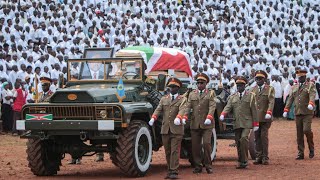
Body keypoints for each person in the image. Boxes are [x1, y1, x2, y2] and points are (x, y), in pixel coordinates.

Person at [149, 77, 185, 179]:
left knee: (175, 150)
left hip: (177, 129)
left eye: (174, 87)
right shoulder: (164, 99)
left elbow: (183, 109)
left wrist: (179, 117)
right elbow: (158, 109)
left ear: (178, 88)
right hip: (165, 129)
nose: (172, 89)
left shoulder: (182, 99)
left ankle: (174, 171)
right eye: (170, 87)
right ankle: (170, 170)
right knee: (168, 151)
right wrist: (153, 118)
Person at [220, 76, 258, 169]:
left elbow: (254, 110)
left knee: (244, 139)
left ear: (245, 86)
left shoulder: (251, 96)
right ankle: (241, 161)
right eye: (238, 85)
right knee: (238, 142)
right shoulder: (233, 97)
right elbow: (228, 106)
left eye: (241, 85)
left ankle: (245, 161)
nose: (239, 87)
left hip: (247, 123)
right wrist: (223, 114)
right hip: (237, 123)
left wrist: (256, 124)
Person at [183, 73, 216, 174]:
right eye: (198, 83)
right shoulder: (192, 94)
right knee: (195, 146)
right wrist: (184, 116)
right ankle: (198, 166)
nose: (200, 84)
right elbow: (188, 107)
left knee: (206, 144)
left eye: (202, 82)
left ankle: (208, 165)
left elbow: (212, 106)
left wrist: (209, 117)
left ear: (206, 83)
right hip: (195, 123)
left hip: (207, 124)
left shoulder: (210, 93)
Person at [283, 68, 316, 160]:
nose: (300, 79)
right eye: (299, 77)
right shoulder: (294, 87)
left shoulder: (310, 85)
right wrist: (286, 109)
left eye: (301, 77)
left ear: (305, 77)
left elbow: (312, 95)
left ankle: (311, 148)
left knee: (306, 130)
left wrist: (311, 103)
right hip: (297, 113)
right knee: (299, 134)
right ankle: (300, 152)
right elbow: (290, 99)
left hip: (307, 112)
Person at [250, 70, 275, 165]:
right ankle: (258, 156)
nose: (258, 80)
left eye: (260, 78)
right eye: (257, 78)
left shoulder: (269, 89)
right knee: (257, 137)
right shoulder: (253, 90)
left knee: (263, 136)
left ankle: (265, 157)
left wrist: (269, 112)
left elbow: (271, 101)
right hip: (256, 118)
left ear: (264, 79)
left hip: (265, 117)